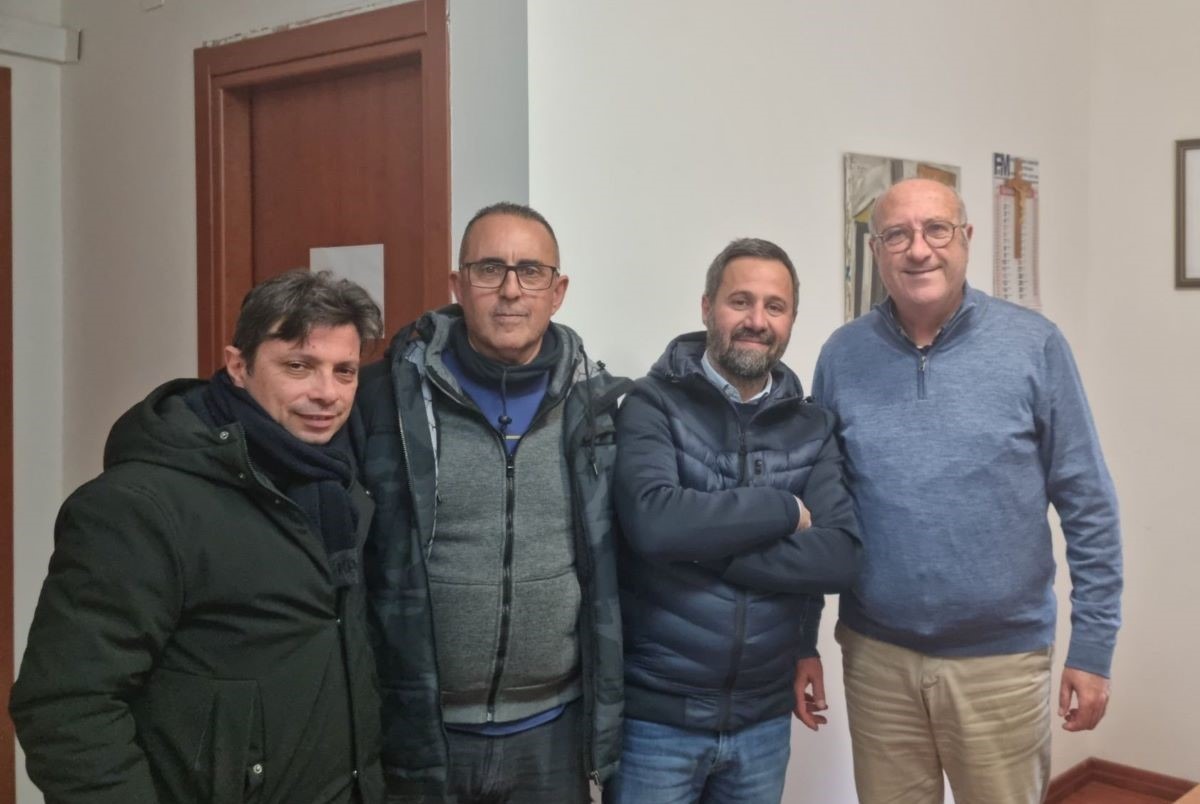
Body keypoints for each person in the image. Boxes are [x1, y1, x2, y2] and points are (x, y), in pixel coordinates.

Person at [11, 269, 386, 804]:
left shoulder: (340, 490)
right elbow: (66, 706)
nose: (327, 393)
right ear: (238, 366)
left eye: (344, 371)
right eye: (298, 366)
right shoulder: (139, 506)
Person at [813, 178, 1123, 804]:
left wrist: (1092, 648)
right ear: (875, 251)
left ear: (967, 239)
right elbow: (820, 511)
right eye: (896, 234)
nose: (918, 249)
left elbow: (1088, 504)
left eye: (937, 229)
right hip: (878, 661)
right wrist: (800, 641)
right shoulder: (842, 356)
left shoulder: (1034, 345)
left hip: (1000, 665)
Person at [357, 202, 628, 803]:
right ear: (457, 285)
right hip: (421, 730)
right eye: (489, 269)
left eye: (530, 271)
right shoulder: (385, 399)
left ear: (557, 292)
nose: (510, 290)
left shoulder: (597, 407)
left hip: (553, 733)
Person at [606, 237, 861, 804]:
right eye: (740, 301)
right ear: (707, 307)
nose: (757, 321)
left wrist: (695, 546)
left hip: (763, 720)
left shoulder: (813, 427)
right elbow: (653, 525)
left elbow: (840, 557)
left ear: (791, 319)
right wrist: (783, 510)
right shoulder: (651, 404)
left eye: (775, 306)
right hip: (657, 721)